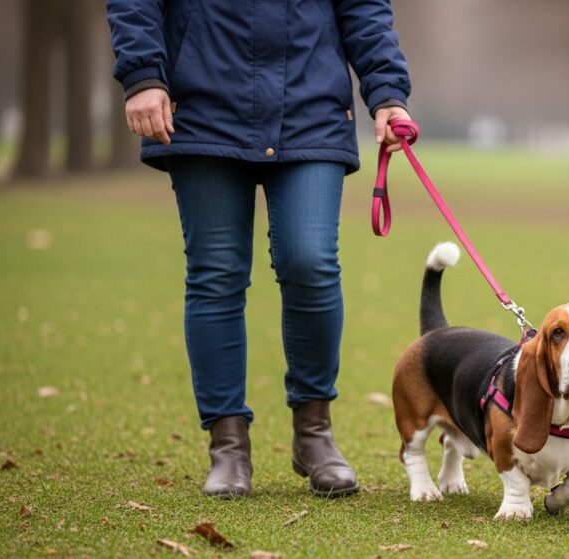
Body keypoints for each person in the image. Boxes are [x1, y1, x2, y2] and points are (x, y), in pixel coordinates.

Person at [106, 0, 412, 499]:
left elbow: (363, 7)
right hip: (202, 104)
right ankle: (227, 445)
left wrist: (387, 91)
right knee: (216, 273)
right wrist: (143, 73)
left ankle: (314, 433)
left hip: (311, 105)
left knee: (311, 262)